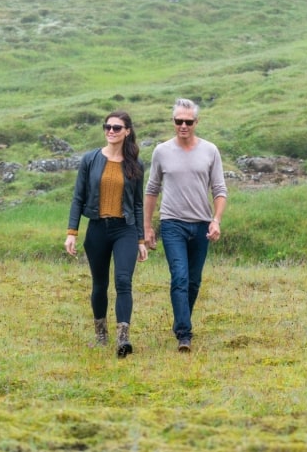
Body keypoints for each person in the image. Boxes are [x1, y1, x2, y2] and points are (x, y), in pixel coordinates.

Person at [144, 98, 228, 353]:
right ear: (173, 122)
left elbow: (220, 189)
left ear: (196, 123)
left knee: (193, 281)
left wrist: (216, 220)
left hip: (201, 224)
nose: (183, 125)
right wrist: (147, 227)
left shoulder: (210, 150)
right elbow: (152, 189)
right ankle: (184, 333)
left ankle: (182, 321)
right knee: (179, 277)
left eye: (188, 122)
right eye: (178, 121)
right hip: (172, 224)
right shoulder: (161, 151)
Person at [65, 111, 148, 358]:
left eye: (116, 127)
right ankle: (101, 335)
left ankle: (123, 339)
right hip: (98, 228)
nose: (111, 131)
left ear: (127, 131)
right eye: (108, 127)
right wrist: (72, 232)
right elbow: (78, 197)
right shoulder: (90, 159)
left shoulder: (135, 165)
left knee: (124, 281)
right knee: (100, 284)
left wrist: (141, 239)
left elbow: (138, 204)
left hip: (125, 229)